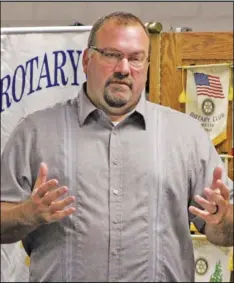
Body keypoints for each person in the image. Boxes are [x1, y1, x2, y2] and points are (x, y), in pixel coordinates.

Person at [1, 12, 233, 282]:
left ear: (146, 65)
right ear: (87, 60)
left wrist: (222, 218)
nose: (124, 68)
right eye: (111, 55)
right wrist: (27, 214)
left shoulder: (187, 136)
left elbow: (224, 232)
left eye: (135, 58)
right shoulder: (34, 132)